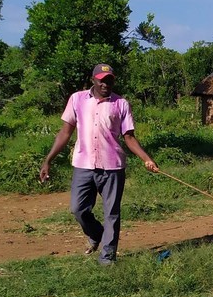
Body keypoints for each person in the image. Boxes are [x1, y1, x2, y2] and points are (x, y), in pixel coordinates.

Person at [38, 63, 159, 265]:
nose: (105, 84)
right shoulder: (77, 99)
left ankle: (107, 256)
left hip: (113, 167)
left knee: (112, 213)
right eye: (101, 80)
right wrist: (48, 160)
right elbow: (65, 132)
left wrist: (147, 158)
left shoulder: (121, 104)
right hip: (83, 165)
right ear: (93, 80)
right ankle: (95, 234)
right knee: (77, 209)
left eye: (109, 80)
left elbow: (129, 137)